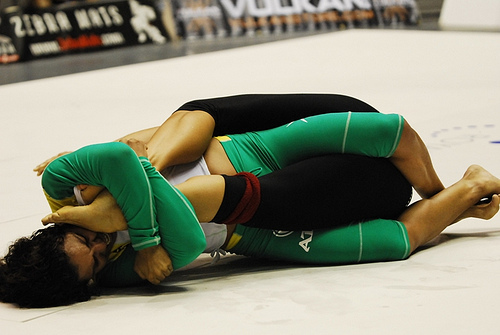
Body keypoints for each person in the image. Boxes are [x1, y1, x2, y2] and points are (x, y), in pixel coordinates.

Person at [1, 94, 498, 308]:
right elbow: (191, 232)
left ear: (55, 226)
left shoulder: (60, 189)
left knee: (385, 130)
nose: (105, 244)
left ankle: (437, 189)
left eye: (87, 238)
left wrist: (135, 222)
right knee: (392, 242)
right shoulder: (108, 273)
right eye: (100, 260)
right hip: (243, 228)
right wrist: (133, 196)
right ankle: (470, 187)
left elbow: (119, 156)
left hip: (231, 150)